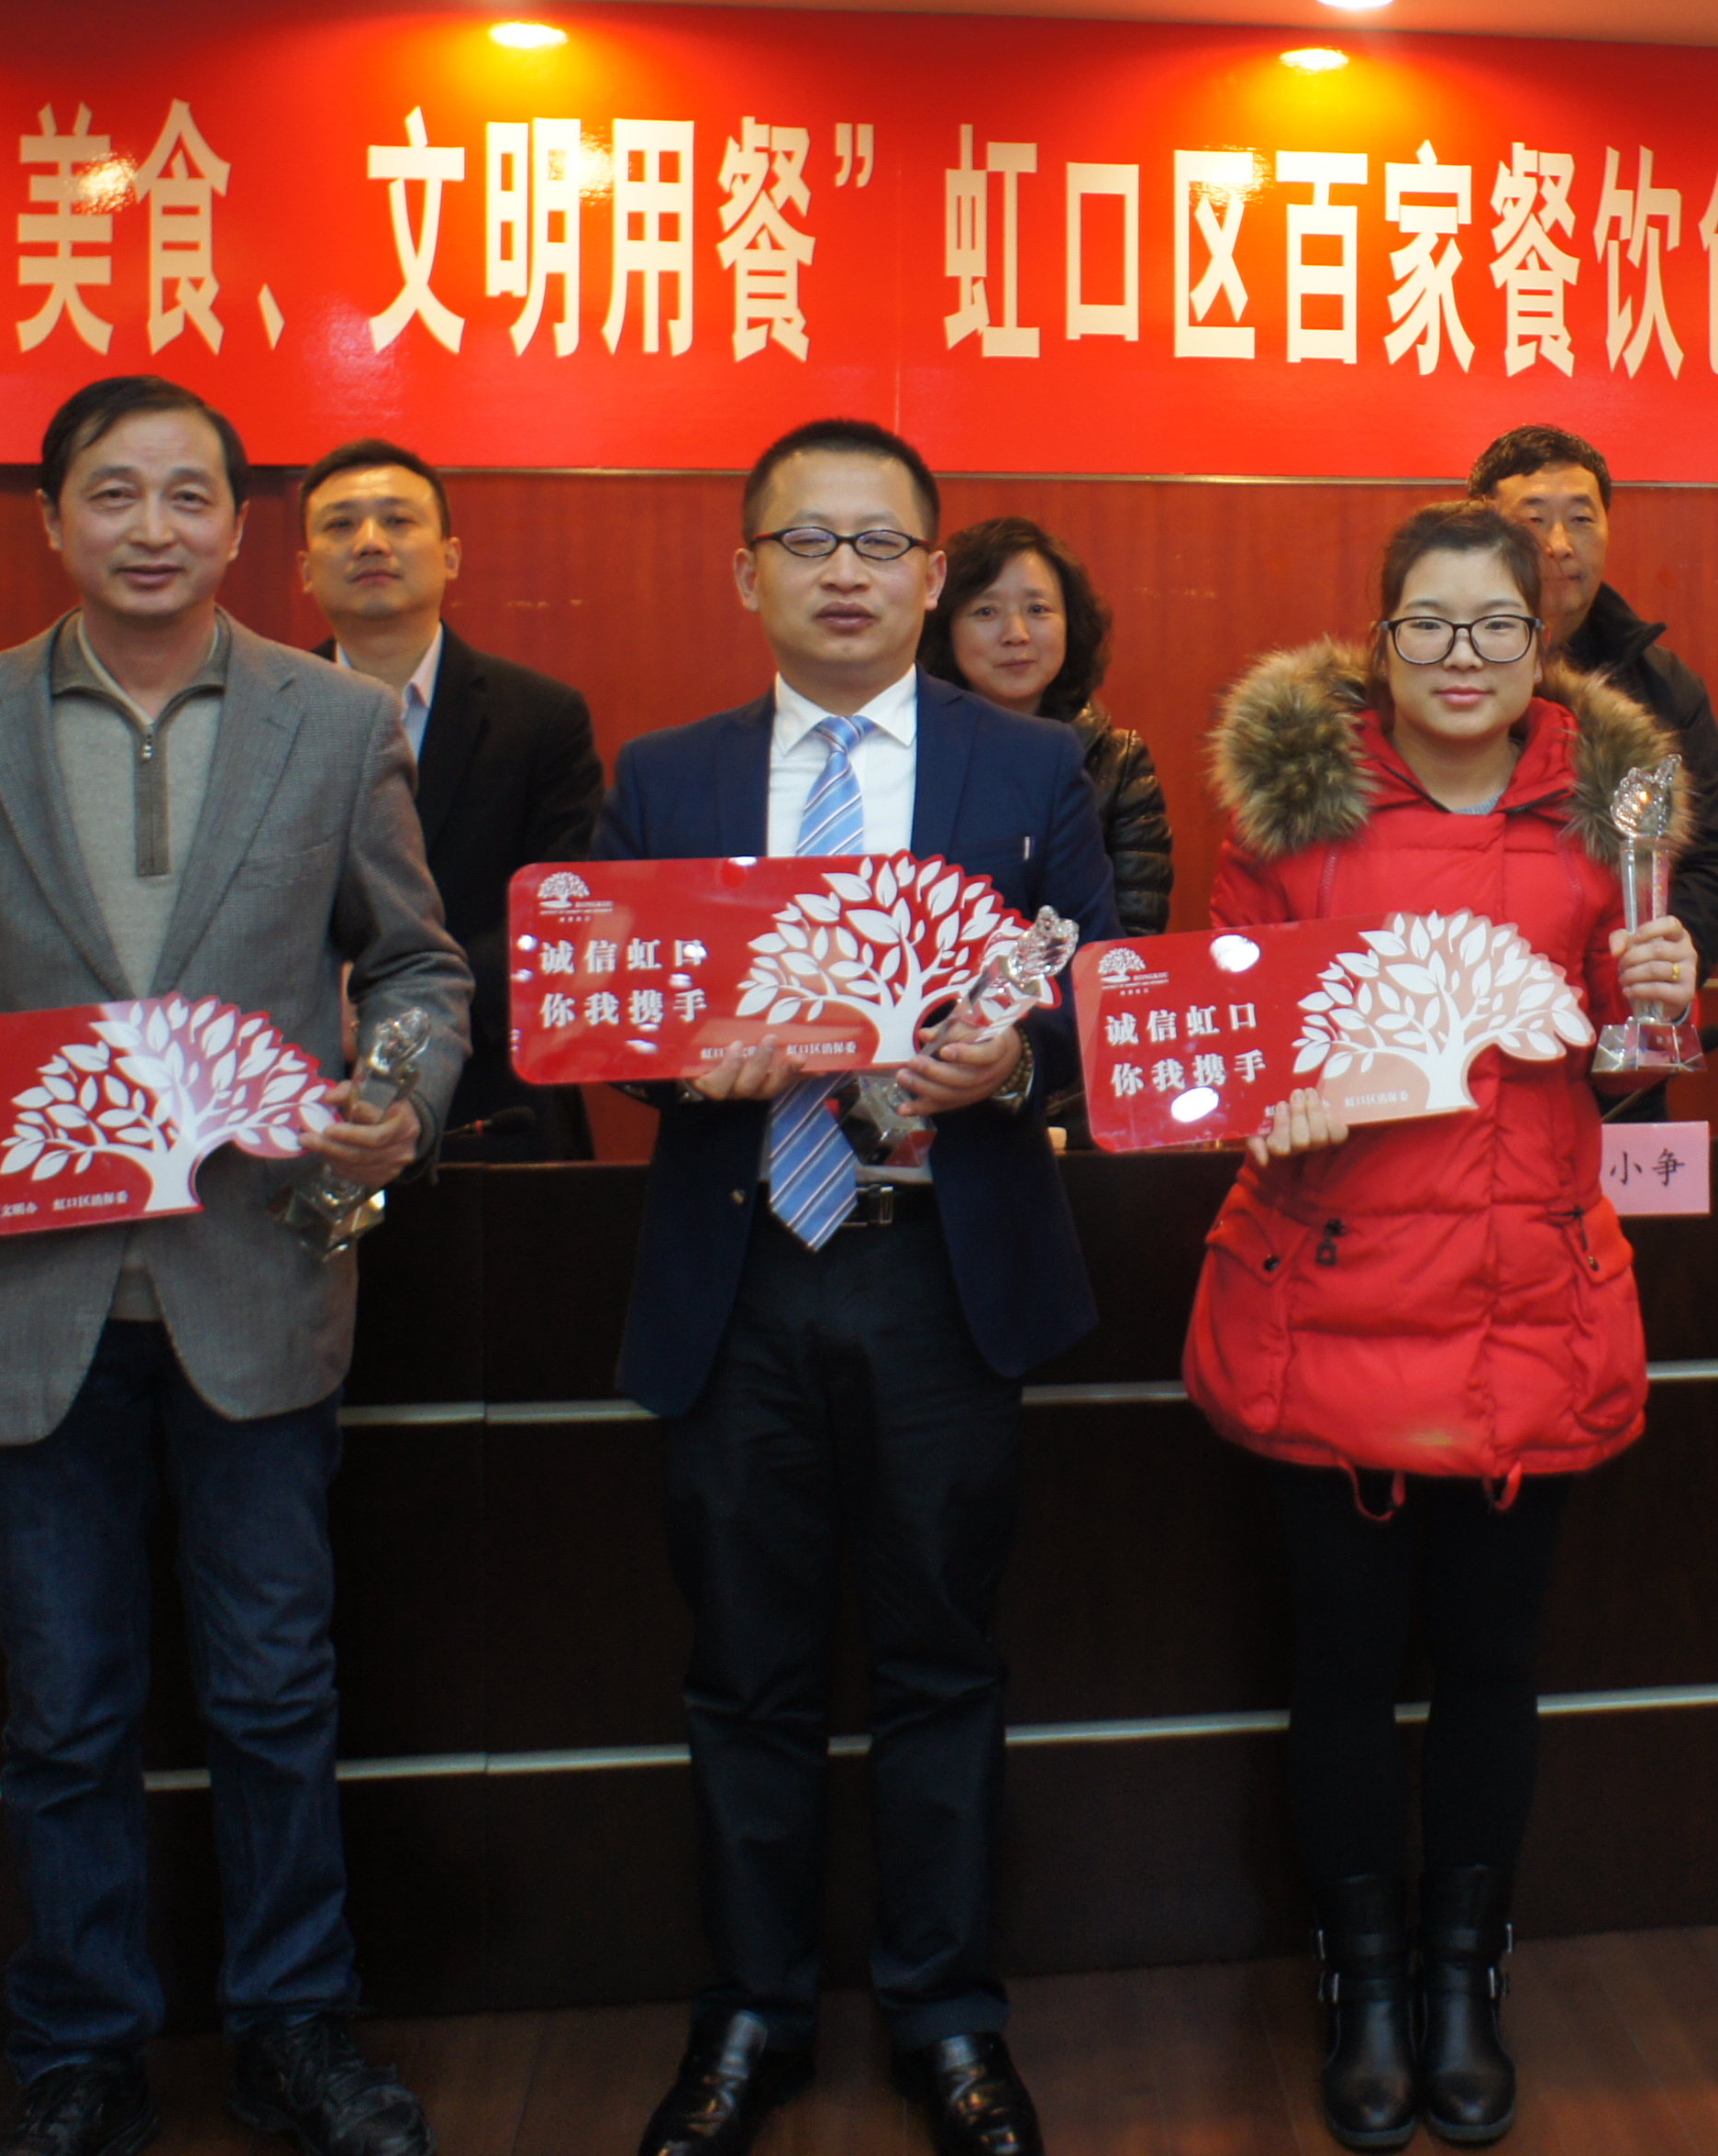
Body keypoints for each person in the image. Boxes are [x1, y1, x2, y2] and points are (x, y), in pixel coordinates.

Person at [0, 376, 471, 2156]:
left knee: (275, 1693)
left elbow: (418, 967)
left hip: (256, 1274)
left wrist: (396, 1093)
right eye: (115, 493)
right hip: (21, 1294)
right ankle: (78, 2050)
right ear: (53, 520)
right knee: (66, 1708)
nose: (154, 526)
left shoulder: (334, 722)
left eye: (189, 494)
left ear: (239, 525)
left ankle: (295, 2029)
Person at [593, 421, 1114, 2156]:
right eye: (805, 541)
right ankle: (747, 2016)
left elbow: (1100, 987)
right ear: (744, 568)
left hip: (940, 1270)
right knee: (741, 1670)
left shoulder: (1031, 768)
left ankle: (948, 2016)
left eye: (879, 543)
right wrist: (684, 1060)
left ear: (931, 573)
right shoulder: (664, 778)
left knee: (941, 1660)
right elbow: (598, 1013)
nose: (843, 572)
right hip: (740, 1269)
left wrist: (1014, 1061)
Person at [1191, 498, 1698, 2154]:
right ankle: (1363, 1986)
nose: (1461, 657)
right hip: (1327, 1293)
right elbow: (1229, 1035)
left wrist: (1655, 1008)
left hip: (1524, 1298)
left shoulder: (1613, 812)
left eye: (1495, 627)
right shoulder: (1293, 808)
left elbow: (1621, 1064)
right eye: (1430, 625)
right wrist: (1259, 1102)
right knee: (1342, 1666)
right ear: (1381, 640)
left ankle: (1466, 1978)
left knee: (1491, 1663)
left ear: (1541, 644)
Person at [297, 436, 606, 1159]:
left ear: (452, 555)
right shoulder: (260, 719)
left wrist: (400, 1012)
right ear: (306, 570)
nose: (370, 541)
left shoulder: (542, 717)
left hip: (494, 1101)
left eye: (398, 520)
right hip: (302, 1096)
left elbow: (566, 907)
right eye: (340, 524)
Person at [1465, 428, 1718, 982]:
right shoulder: (1441, 675)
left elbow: (1710, 861)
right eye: (1533, 520)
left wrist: (1656, 970)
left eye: (1581, 519)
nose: (1560, 544)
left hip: (1614, 991)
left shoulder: (1664, 689)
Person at [920, 514, 1173, 938]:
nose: (1016, 634)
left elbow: (1131, 940)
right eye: (986, 611)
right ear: (945, 628)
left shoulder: (1119, 760)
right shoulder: (914, 750)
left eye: (1037, 610)